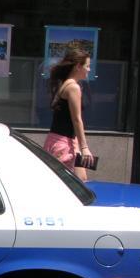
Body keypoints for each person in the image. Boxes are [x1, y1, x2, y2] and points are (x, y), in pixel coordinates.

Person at [43, 48, 94, 180]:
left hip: (61, 141)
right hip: (64, 144)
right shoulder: (73, 87)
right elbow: (77, 119)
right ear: (78, 66)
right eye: (87, 66)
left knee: (78, 182)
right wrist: (84, 147)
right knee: (78, 185)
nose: (89, 69)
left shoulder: (66, 84)